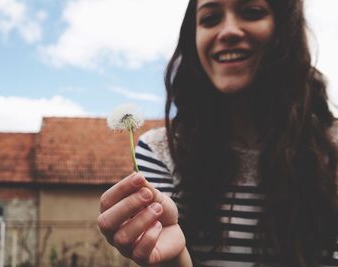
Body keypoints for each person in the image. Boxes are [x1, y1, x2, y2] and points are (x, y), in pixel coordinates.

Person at [97, 0, 338, 266]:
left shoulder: (332, 149)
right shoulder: (160, 151)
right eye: (210, 18)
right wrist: (173, 258)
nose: (228, 31)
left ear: (286, 28)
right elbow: (165, 247)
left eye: (252, 12)